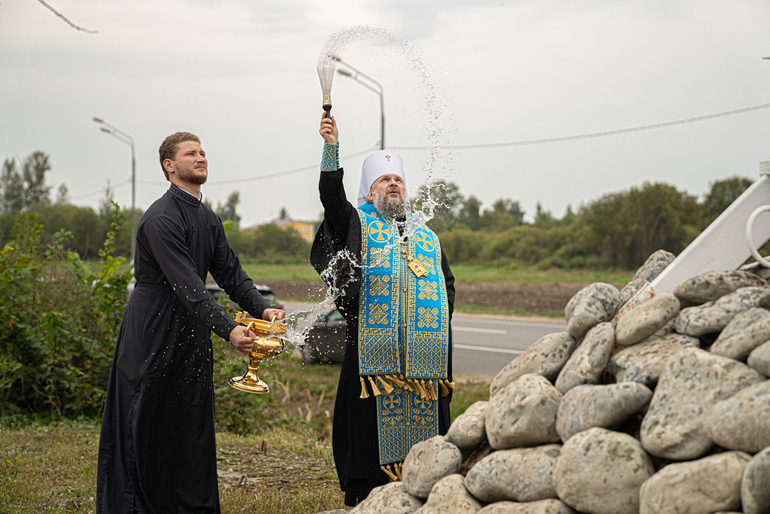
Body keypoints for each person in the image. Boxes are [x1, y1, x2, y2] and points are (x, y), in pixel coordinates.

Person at [96, 132, 284, 513]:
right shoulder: (160, 218)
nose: (201, 158)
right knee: (145, 423)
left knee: (190, 424)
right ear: (170, 165)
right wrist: (231, 330)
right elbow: (187, 284)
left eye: (202, 152)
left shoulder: (207, 217)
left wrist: (262, 308)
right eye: (190, 153)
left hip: (190, 333)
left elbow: (231, 273)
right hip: (152, 332)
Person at [311, 114, 455, 506]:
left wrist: (432, 329)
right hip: (372, 362)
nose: (393, 185)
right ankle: (369, 498)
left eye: (398, 180)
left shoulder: (426, 235)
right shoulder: (357, 223)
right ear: (370, 190)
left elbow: (448, 286)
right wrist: (331, 149)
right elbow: (332, 202)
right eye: (384, 180)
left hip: (424, 366)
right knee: (369, 448)